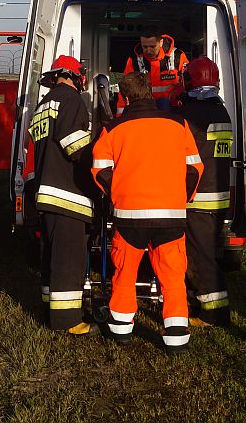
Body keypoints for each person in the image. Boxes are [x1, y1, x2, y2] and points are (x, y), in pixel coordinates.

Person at [92, 72, 203, 353]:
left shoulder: (113, 128)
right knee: (173, 277)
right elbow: (194, 168)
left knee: (125, 274)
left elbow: (99, 169)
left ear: (125, 98)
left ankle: (121, 331)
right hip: (171, 215)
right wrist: (181, 198)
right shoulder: (179, 124)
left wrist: (117, 194)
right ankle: (177, 337)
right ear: (151, 93)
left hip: (129, 216)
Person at [22, 55, 97, 335]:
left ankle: (48, 308)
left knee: (51, 256)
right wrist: (99, 161)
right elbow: (74, 146)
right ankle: (68, 322)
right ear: (75, 76)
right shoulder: (72, 100)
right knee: (68, 260)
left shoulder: (44, 104)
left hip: (46, 192)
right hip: (68, 194)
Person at [174, 57, 233, 326]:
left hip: (197, 196)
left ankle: (213, 313)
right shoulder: (221, 111)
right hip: (218, 194)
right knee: (210, 252)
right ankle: (205, 304)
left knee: (200, 256)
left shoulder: (190, 114)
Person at [119, 29, 189, 112]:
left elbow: (189, 84)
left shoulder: (178, 56)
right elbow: (125, 89)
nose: (148, 51)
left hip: (173, 110)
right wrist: (121, 116)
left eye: (152, 46)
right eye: (145, 47)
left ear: (161, 42)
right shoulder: (133, 61)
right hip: (145, 110)